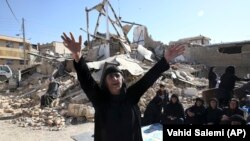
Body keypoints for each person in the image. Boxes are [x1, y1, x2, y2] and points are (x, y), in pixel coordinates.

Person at [61, 32, 185, 141]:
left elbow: (148, 78)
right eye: (110, 76)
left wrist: (165, 60)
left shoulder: (131, 96)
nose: (115, 78)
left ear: (122, 79)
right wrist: (77, 56)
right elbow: (86, 80)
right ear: (105, 82)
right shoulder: (100, 100)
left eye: (117, 75)